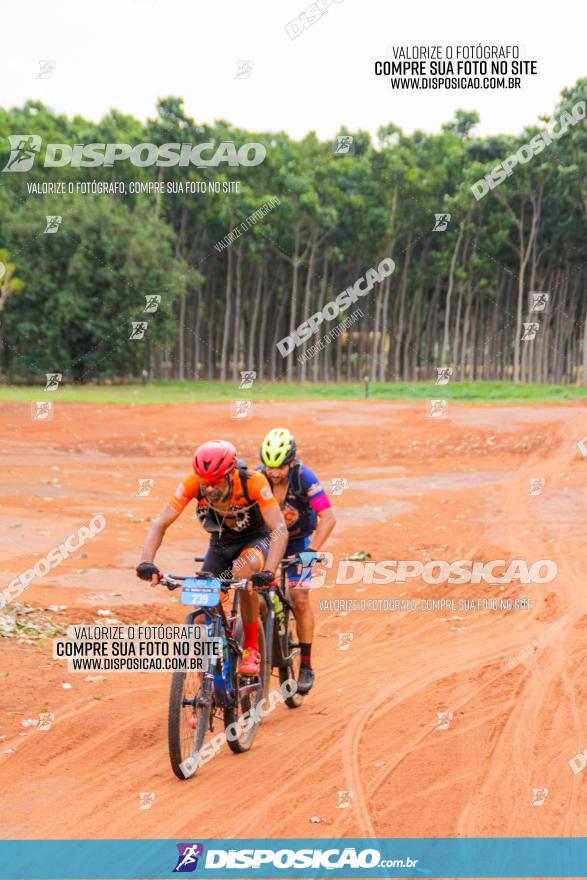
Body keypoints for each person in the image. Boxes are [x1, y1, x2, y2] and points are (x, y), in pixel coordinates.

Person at [136, 439, 287, 676]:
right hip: (220, 545)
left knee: (242, 573)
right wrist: (146, 562)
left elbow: (279, 528)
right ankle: (206, 689)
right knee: (201, 615)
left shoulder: (254, 482)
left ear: (231, 474)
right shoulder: (193, 483)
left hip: (255, 540)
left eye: (216, 483)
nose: (209, 489)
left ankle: (250, 646)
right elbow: (160, 523)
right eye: (205, 484)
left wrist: (268, 571)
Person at [259, 428, 335, 694]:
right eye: (270, 466)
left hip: (298, 541)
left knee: (300, 596)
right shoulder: (257, 478)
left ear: (291, 462)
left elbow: (328, 517)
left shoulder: (305, 477)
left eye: (280, 466)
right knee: (248, 586)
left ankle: (305, 664)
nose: (275, 472)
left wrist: (312, 550)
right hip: (266, 541)